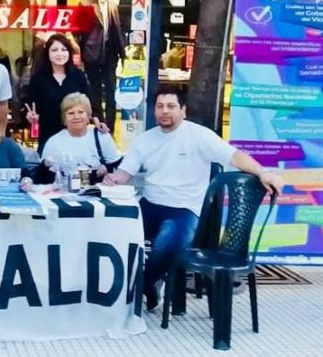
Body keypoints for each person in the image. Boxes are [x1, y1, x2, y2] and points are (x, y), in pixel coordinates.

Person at [103, 85, 285, 311]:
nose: (165, 111)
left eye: (171, 106)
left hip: (184, 209)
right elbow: (125, 172)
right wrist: (112, 179)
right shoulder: (144, 140)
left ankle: (144, 285)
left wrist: (263, 172)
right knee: (113, 230)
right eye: (160, 107)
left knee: (167, 245)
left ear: (183, 110)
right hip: (148, 204)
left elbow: (234, 156)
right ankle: (131, 285)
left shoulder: (199, 135)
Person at [75, 0, 126, 131]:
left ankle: (110, 126)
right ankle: (99, 124)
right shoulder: (84, 4)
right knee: (95, 91)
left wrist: (123, 54)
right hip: (92, 54)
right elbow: (79, 32)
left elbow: (117, 31)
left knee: (111, 90)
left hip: (110, 54)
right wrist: (80, 56)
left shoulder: (112, 5)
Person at [25, 33, 92, 153]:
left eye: (64, 50)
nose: (59, 54)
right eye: (54, 50)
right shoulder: (39, 78)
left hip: (76, 136)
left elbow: (90, 104)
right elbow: (30, 106)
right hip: (49, 136)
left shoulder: (78, 76)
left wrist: (96, 120)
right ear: (48, 53)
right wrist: (31, 117)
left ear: (69, 52)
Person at [41, 93, 120, 183]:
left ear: (88, 116)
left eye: (81, 112)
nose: (76, 117)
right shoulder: (53, 142)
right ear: (64, 119)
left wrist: (106, 168)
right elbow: (43, 176)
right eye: (71, 113)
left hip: (97, 191)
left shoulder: (101, 136)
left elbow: (116, 164)